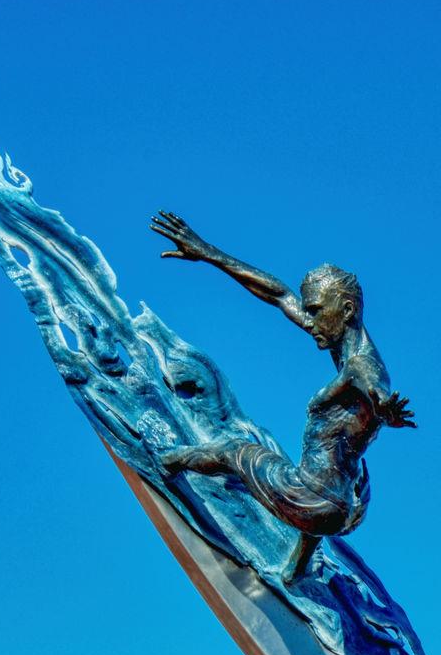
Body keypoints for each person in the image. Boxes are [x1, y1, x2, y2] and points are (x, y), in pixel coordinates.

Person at [148, 211, 415, 580]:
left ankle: (162, 459)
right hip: (335, 505)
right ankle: (295, 572)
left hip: (311, 500)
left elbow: (377, 392)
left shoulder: (362, 366)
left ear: (347, 310)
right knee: (311, 475)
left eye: (316, 312)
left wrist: (386, 410)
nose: (310, 321)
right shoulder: (343, 346)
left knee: (232, 451)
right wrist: (207, 252)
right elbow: (278, 295)